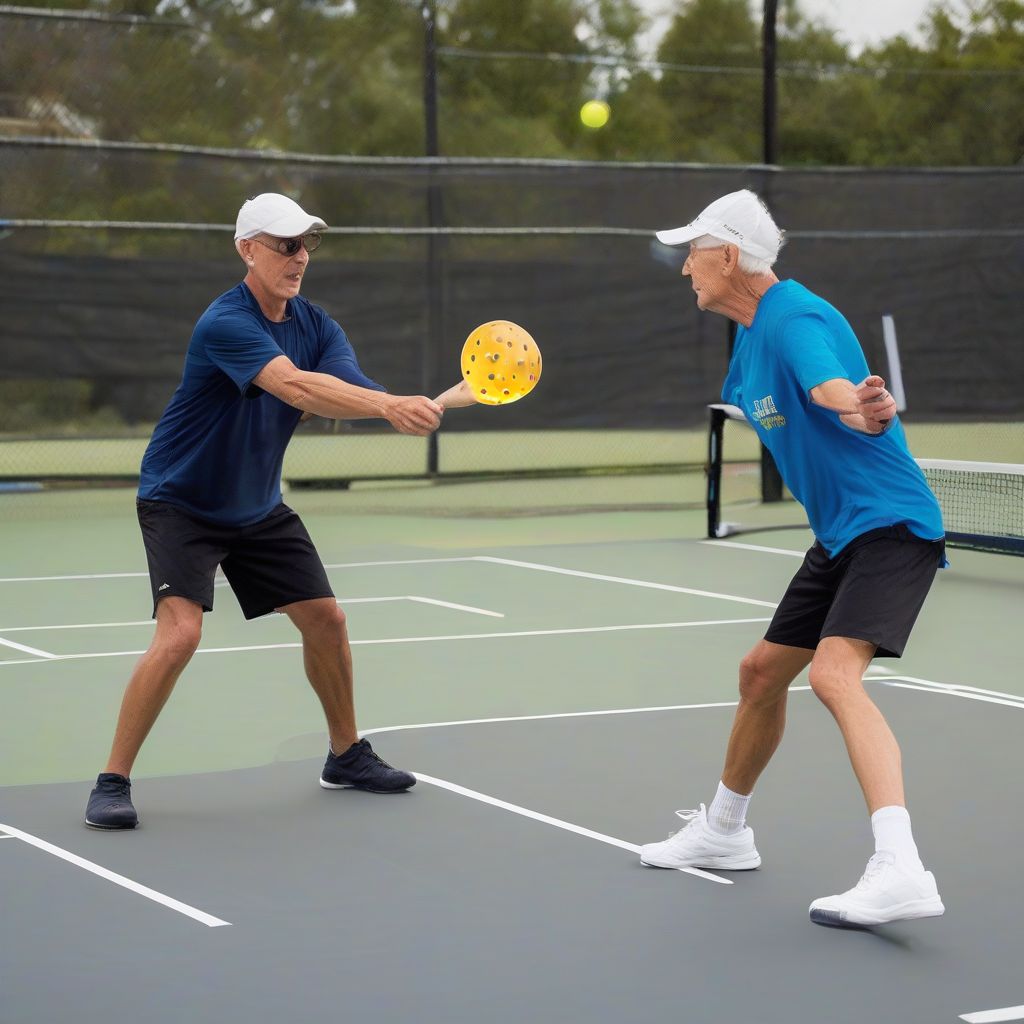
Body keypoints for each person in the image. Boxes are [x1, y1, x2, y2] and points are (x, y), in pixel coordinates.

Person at [85, 192, 459, 830]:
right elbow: (296, 386)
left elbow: (345, 386)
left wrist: (397, 405)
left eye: (307, 244)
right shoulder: (225, 323)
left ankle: (346, 755)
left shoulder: (318, 325)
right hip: (182, 500)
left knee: (327, 619)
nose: (299, 256)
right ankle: (112, 781)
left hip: (257, 506)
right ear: (247, 249)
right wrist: (389, 405)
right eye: (286, 244)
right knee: (180, 635)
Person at [641, 189, 947, 928]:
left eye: (696, 250)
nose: (686, 266)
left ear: (731, 256)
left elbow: (827, 385)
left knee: (835, 674)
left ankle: (901, 866)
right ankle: (723, 831)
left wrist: (860, 407)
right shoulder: (747, 342)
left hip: (892, 524)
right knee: (759, 674)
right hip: (841, 535)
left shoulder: (794, 315)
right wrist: (846, 411)